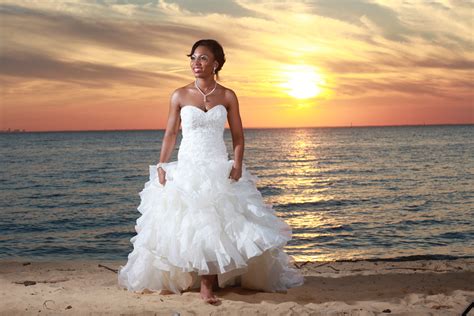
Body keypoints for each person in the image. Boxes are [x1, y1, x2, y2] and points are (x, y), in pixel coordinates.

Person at [117, 39, 304, 305]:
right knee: (191, 225)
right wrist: (161, 165)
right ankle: (201, 281)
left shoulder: (227, 96)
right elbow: (170, 134)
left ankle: (208, 284)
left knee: (219, 224)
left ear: (215, 63)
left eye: (203, 58)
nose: (196, 63)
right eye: (193, 57)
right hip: (189, 167)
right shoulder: (179, 95)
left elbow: (239, 136)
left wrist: (238, 164)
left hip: (218, 166)